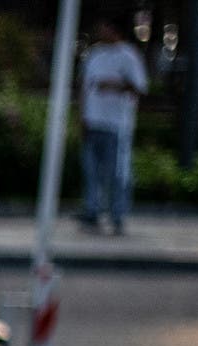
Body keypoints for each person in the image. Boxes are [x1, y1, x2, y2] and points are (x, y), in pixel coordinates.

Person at [80, 19, 150, 234]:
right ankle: (92, 211)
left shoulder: (128, 55)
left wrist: (116, 85)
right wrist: (82, 116)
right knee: (91, 170)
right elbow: (84, 87)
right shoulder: (94, 54)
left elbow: (140, 87)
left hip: (116, 124)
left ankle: (117, 214)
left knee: (117, 172)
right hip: (94, 120)